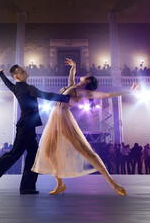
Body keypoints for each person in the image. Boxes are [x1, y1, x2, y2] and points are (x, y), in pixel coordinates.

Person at [32, 58, 138, 196]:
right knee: (48, 151)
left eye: (87, 76)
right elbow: (71, 79)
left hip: (63, 116)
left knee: (85, 151)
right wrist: (73, 67)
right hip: (54, 116)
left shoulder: (84, 93)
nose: (84, 75)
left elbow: (108, 94)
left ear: (88, 81)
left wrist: (129, 91)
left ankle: (113, 182)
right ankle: (60, 184)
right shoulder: (73, 87)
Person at [0, 65, 70, 194]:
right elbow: (45, 95)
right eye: (22, 71)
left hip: (28, 126)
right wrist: (65, 98)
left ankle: (27, 187)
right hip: (26, 126)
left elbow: (7, 83)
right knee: (15, 154)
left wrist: (1, 74)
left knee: (33, 155)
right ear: (17, 76)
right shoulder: (28, 88)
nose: (25, 71)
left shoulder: (16, 88)